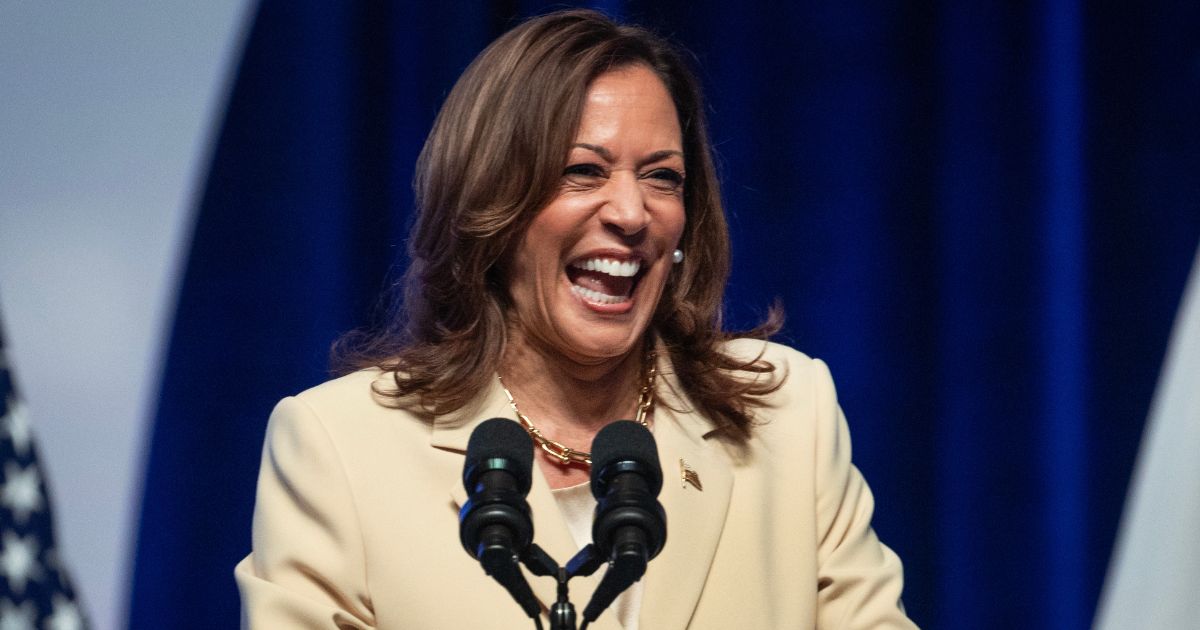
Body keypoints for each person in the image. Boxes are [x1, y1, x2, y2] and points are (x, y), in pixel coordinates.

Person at [235, 9, 917, 629]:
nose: (630, 214)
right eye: (582, 171)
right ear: (491, 204)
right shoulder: (340, 447)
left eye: (662, 177)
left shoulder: (788, 415)